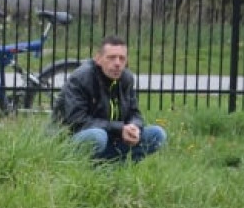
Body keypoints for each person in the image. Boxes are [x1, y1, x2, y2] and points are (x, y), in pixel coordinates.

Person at [53, 35, 166, 163]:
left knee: (157, 134)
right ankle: (82, 165)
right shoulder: (81, 78)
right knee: (97, 136)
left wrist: (133, 127)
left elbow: (135, 113)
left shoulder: (126, 79)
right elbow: (77, 121)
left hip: (113, 138)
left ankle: (112, 165)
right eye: (111, 57)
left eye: (122, 58)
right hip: (72, 138)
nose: (117, 63)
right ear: (98, 59)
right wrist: (119, 129)